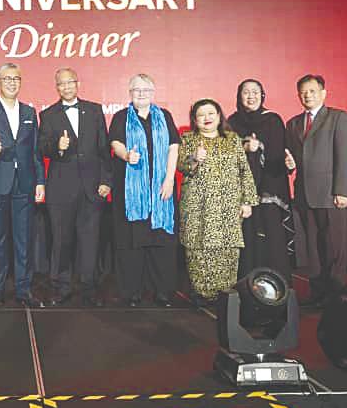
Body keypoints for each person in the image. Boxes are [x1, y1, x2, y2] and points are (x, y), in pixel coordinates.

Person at [0, 63, 45, 309]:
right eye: (7, 79)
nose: (12, 82)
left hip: (25, 183)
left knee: (24, 239)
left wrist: (40, 182)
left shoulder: (29, 112)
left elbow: (35, 152)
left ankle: (24, 289)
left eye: (16, 78)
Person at [39, 68, 112, 307]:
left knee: (90, 240)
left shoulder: (94, 110)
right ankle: (61, 287)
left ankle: (89, 288)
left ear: (77, 84)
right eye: (61, 84)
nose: (66, 87)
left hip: (92, 187)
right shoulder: (48, 114)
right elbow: (42, 147)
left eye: (70, 82)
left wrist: (105, 180)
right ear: (56, 87)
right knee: (61, 240)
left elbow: (104, 150)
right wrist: (57, 147)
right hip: (61, 188)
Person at [284, 74, 347, 305]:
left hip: (330, 194)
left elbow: (346, 156)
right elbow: (292, 157)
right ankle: (317, 292)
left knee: (334, 246)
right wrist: (290, 165)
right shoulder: (293, 123)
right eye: (303, 92)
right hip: (305, 193)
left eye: (312, 91)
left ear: (323, 93)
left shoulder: (337, 118)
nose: (307, 95)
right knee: (313, 248)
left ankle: (337, 294)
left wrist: (342, 190)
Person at [109, 74, 180, 307]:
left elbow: (173, 148)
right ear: (130, 93)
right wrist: (127, 155)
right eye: (136, 90)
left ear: (153, 92)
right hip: (132, 194)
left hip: (161, 189)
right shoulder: (121, 117)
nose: (141, 93)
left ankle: (162, 292)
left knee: (161, 242)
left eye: (146, 90)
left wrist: (169, 179)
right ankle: (132, 293)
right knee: (132, 243)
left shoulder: (164, 116)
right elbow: (115, 143)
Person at [178, 99, 258, 305]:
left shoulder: (232, 139)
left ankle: (226, 295)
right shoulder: (187, 139)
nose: (207, 118)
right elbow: (182, 166)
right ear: (195, 120)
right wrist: (195, 158)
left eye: (211, 113)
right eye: (201, 115)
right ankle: (200, 294)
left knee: (227, 249)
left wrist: (247, 201)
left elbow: (244, 171)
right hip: (198, 205)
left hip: (228, 206)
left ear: (219, 116)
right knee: (198, 249)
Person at [227, 79, 294, 281]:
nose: (251, 96)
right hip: (240, 194)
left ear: (262, 95)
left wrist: (285, 162)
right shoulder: (231, 122)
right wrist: (244, 148)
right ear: (239, 96)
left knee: (271, 240)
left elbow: (279, 155)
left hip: (269, 192)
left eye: (255, 92)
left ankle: (277, 289)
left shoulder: (273, 120)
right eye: (246, 92)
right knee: (246, 240)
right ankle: (246, 287)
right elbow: (225, 155)